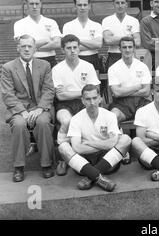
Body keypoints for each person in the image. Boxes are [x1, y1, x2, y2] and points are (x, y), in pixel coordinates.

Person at [1, 35, 55, 182]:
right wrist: (23, 112)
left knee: (43, 123)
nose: (26, 49)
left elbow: (49, 90)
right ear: (18, 48)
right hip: (19, 108)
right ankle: (18, 166)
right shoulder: (8, 68)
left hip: (40, 107)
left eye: (29, 46)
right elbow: (8, 94)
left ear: (35, 48)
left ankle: (46, 164)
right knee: (19, 124)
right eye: (23, 46)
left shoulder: (44, 65)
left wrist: (40, 109)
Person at [58, 84, 131, 192]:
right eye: (88, 99)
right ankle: (98, 177)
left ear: (100, 98)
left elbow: (112, 143)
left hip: (106, 160)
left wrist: (89, 143)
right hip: (85, 160)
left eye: (94, 98)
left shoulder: (109, 115)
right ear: (82, 100)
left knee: (126, 139)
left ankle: (91, 177)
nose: (92, 102)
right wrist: (104, 144)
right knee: (63, 147)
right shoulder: (76, 119)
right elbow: (78, 148)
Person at [52, 34, 101, 175]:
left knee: (89, 121)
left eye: (75, 47)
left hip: (85, 102)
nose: (72, 51)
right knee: (67, 121)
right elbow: (60, 95)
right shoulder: (57, 69)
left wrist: (71, 92)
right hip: (64, 105)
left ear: (79, 49)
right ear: (63, 50)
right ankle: (64, 157)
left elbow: (94, 91)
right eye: (68, 48)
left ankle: (89, 153)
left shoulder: (88, 66)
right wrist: (83, 91)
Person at [108, 36, 152, 163]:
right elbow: (116, 92)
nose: (127, 50)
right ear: (119, 49)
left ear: (134, 48)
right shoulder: (114, 68)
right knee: (113, 116)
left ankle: (145, 149)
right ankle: (122, 150)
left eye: (130, 47)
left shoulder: (142, 66)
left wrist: (125, 91)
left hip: (140, 102)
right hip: (122, 104)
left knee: (150, 114)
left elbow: (147, 91)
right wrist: (138, 86)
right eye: (124, 47)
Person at [13, 0, 62, 68]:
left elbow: (57, 44)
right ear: (26, 5)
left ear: (41, 4)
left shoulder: (51, 22)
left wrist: (32, 47)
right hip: (29, 62)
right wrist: (46, 40)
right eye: (31, 4)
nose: (34, 6)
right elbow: (22, 45)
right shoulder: (19, 24)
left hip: (50, 61)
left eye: (37, 3)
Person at [62, 0, 103, 71]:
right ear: (75, 6)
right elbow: (68, 47)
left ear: (89, 6)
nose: (82, 7)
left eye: (85, 5)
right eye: (79, 5)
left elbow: (98, 44)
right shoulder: (68, 26)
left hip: (93, 59)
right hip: (74, 59)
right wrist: (91, 43)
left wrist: (77, 40)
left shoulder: (96, 25)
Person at [102, 0, 140, 70]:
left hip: (130, 56)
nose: (120, 5)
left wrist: (114, 38)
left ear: (126, 4)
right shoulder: (107, 20)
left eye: (122, 3)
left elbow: (137, 42)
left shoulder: (134, 21)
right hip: (113, 56)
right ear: (113, 4)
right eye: (117, 3)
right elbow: (108, 40)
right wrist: (128, 37)